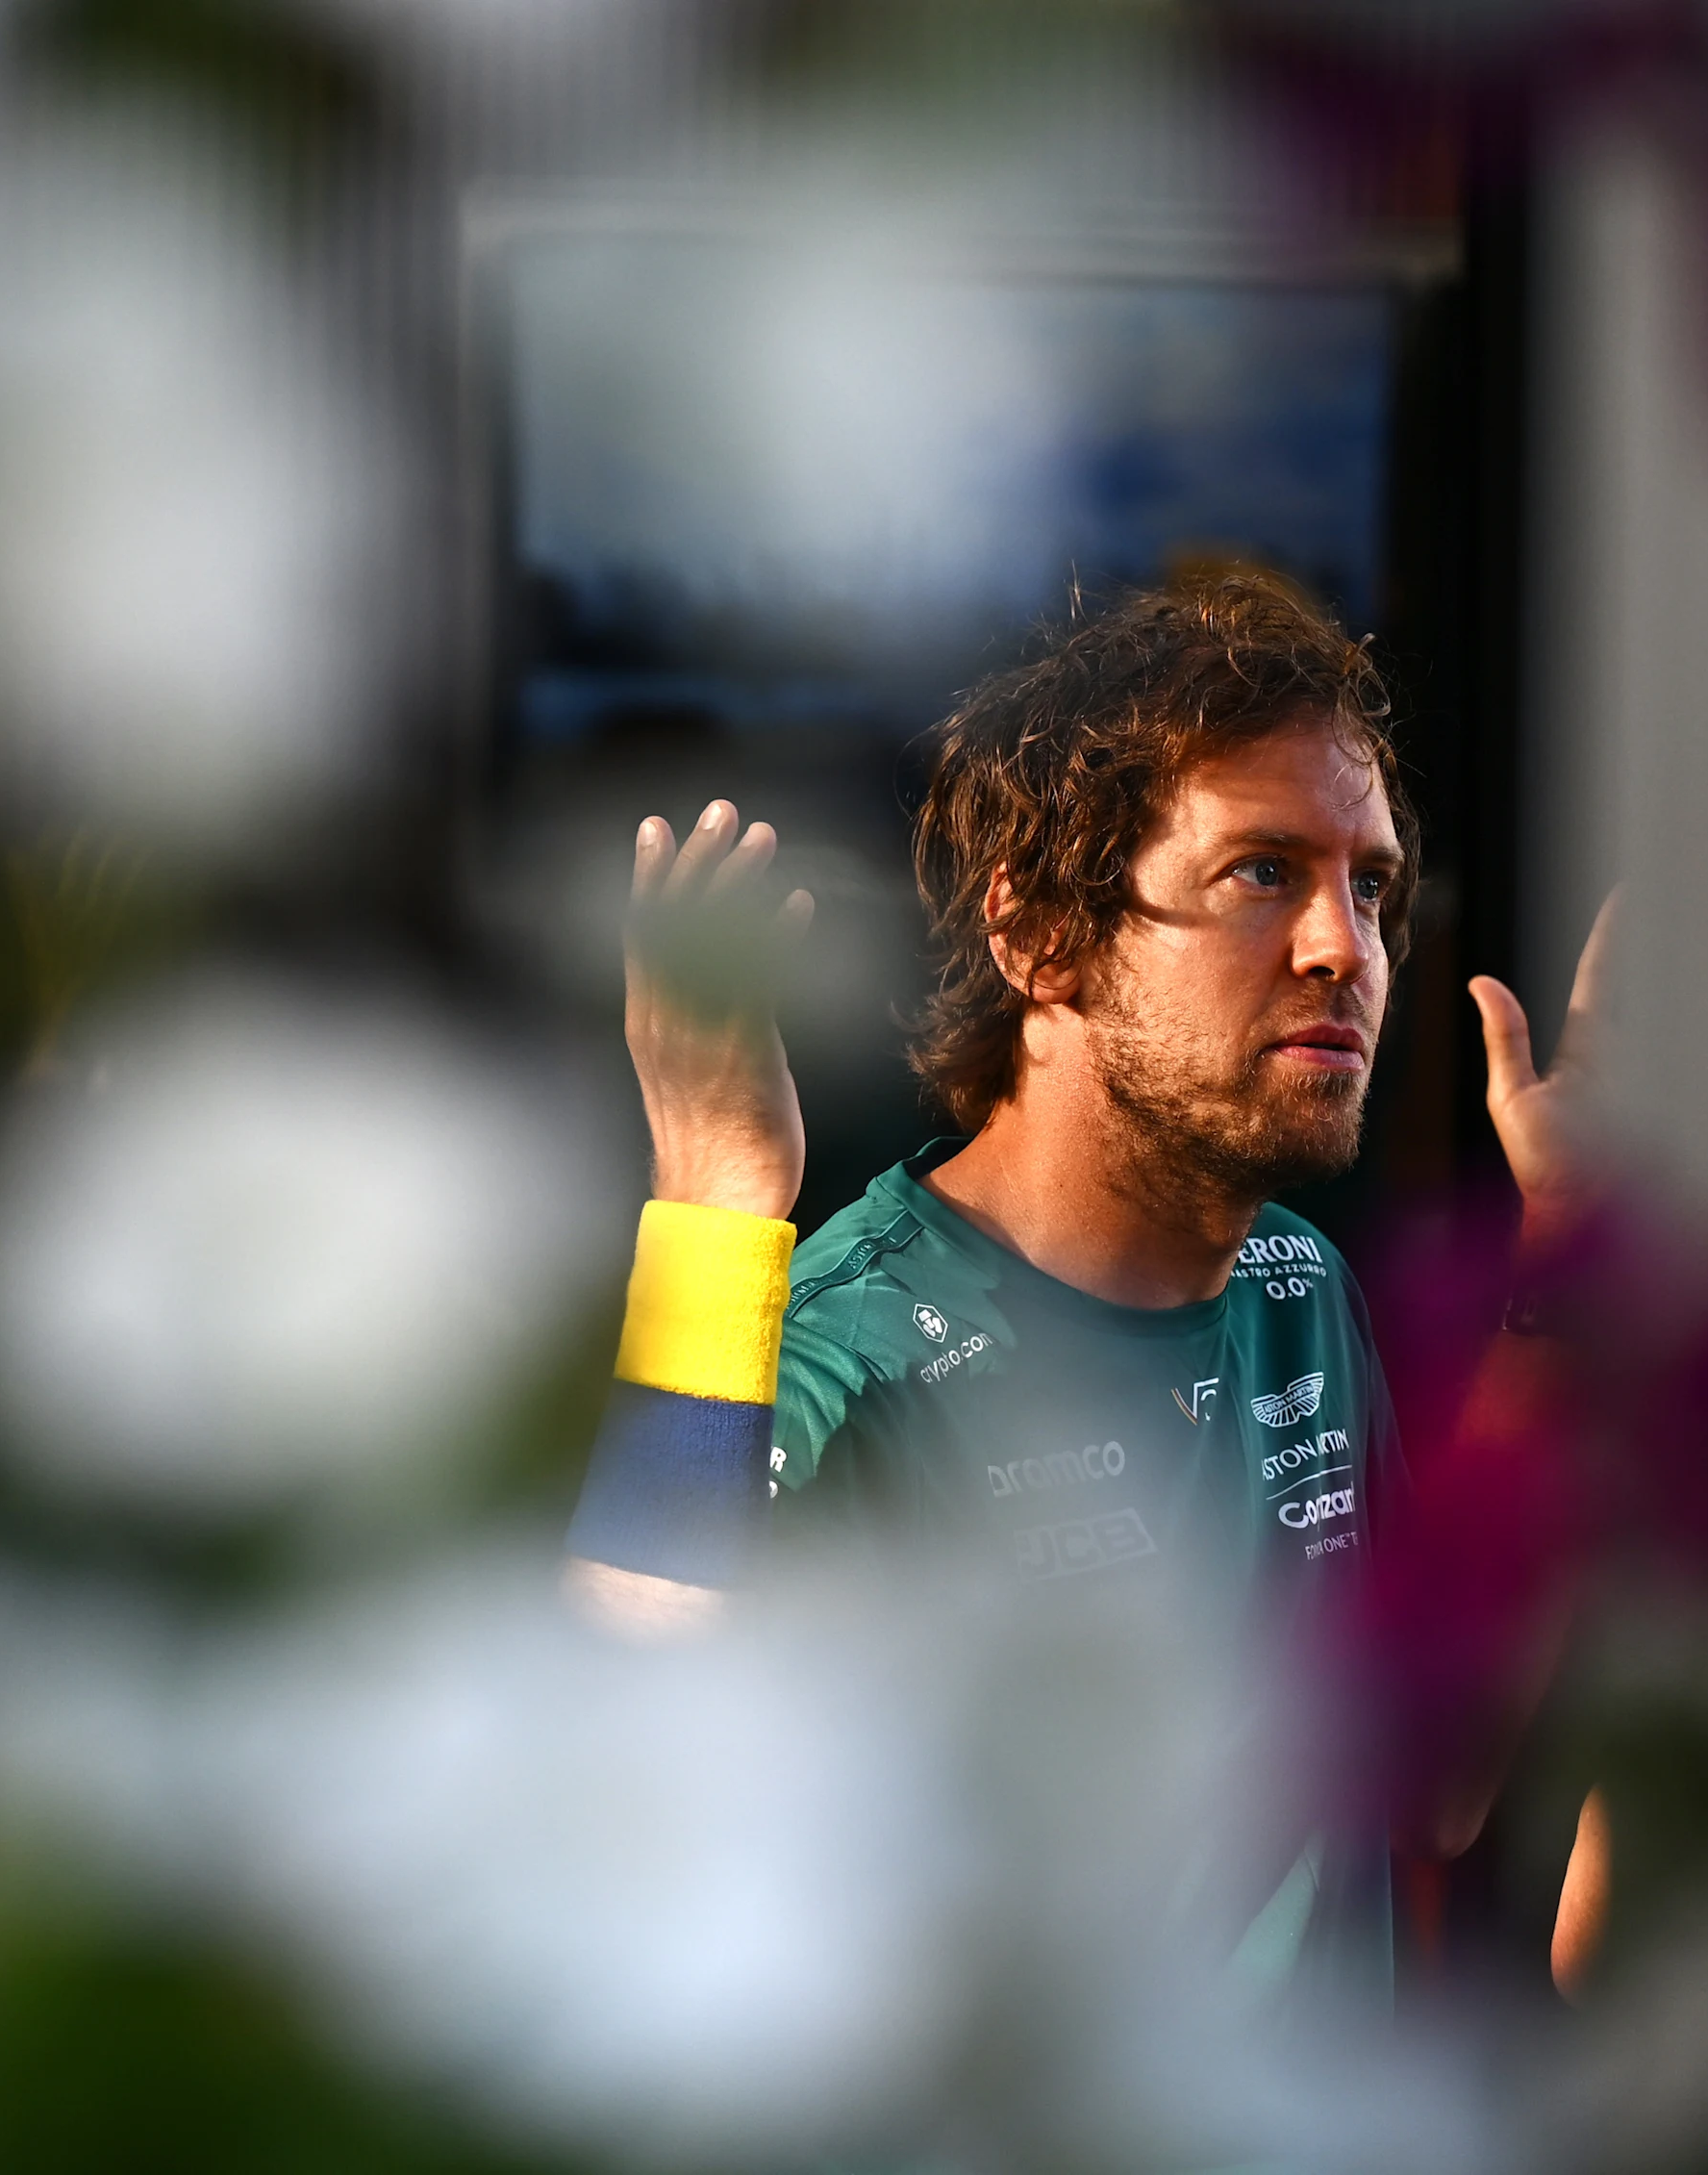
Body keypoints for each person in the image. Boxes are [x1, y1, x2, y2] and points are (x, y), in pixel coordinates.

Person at [559, 570, 1609, 1996]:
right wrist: (714, 1205)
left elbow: (1428, 1779)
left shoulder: (1298, 1286)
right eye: (1263, 872)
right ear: (1040, 934)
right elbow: (624, 1752)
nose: (1343, 949)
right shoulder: (839, 1342)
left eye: (1371, 886)